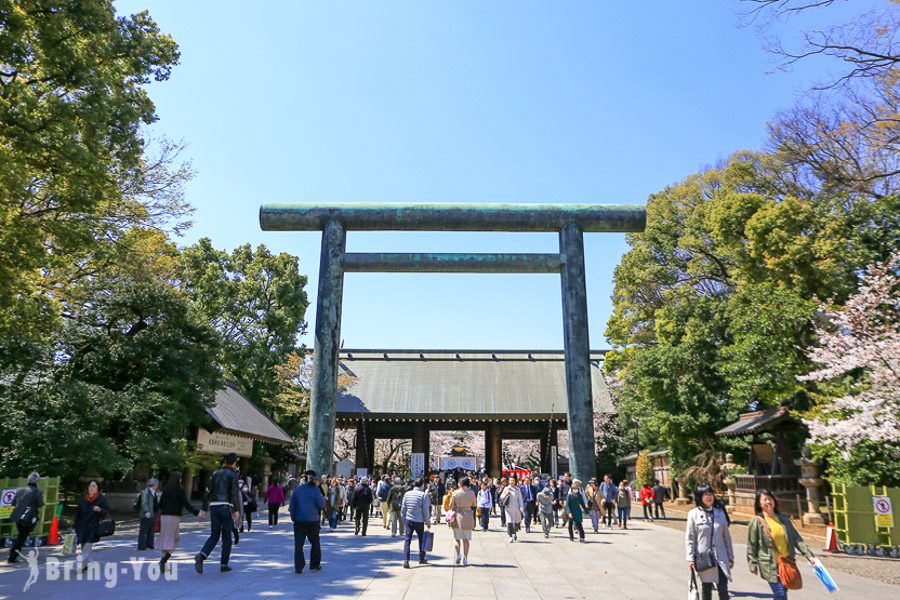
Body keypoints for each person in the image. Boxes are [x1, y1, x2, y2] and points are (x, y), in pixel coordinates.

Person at [747, 488, 815, 600]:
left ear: (774, 500)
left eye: (770, 499)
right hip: (769, 565)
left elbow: (797, 539)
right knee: (780, 593)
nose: (768, 502)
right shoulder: (757, 522)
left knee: (783, 592)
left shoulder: (783, 519)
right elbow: (752, 545)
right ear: (759, 504)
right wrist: (752, 564)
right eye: (765, 500)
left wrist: (809, 556)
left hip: (787, 563)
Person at [195, 452, 241, 574]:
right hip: (226, 506)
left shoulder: (215, 474)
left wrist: (204, 509)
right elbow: (234, 493)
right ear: (234, 463)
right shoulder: (233, 475)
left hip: (214, 507)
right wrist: (236, 510)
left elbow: (207, 493)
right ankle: (224, 564)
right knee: (226, 536)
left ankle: (202, 556)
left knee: (214, 535)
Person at [686, 485, 734, 600]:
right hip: (704, 558)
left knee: (723, 590)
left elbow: (726, 536)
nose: (709, 497)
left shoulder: (720, 512)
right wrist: (690, 558)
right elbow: (690, 538)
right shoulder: (693, 514)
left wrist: (730, 556)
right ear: (699, 497)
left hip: (720, 557)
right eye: (705, 494)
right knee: (706, 589)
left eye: (710, 494)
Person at [158, 472, 202, 567]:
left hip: (164, 516)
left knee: (166, 538)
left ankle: (164, 558)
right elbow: (186, 503)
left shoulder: (165, 489)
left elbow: (160, 503)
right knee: (174, 539)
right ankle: (164, 559)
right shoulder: (179, 490)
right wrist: (196, 512)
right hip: (174, 516)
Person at [290, 469, 325, 574]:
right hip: (312, 520)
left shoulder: (297, 490)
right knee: (315, 543)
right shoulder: (315, 490)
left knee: (298, 544)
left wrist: (293, 517)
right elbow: (321, 504)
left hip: (299, 521)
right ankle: (314, 565)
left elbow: (292, 506)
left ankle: (298, 567)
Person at [7, 472, 44, 563]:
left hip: (17, 516)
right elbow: (40, 504)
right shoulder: (37, 492)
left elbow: (13, 503)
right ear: (37, 482)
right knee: (21, 537)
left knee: (21, 535)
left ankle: (12, 556)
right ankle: (12, 557)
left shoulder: (19, 490)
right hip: (28, 517)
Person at [73, 480, 109, 572]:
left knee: (88, 545)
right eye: (90, 486)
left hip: (93, 525)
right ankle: (87, 563)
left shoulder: (101, 498)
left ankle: (81, 566)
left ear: (98, 488)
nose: (91, 488)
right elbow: (77, 512)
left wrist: (99, 510)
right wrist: (74, 525)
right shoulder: (83, 498)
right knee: (83, 544)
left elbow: (105, 511)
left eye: (93, 486)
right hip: (82, 525)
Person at [401, 478, 431, 568]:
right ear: (422, 485)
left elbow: (403, 508)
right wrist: (427, 522)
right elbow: (425, 510)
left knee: (407, 540)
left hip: (409, 520)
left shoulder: (407, 494)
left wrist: (403, 519)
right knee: (422, 540)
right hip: (419, 520)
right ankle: (421, 558)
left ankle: (406, 560)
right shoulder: (423, 495)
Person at [449, 476, 477, 565]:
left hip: (458, 516)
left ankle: (458, 555)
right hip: (468, 515)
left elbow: (450, 505)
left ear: (460, 484)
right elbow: (474, 503)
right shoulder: (472, 493)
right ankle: (465, 558)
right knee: (466, 539)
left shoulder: (456, 493)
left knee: (457, 538)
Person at [499, 476, 524, 542]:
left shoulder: (517, 489)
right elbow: (501, 497)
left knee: (516, 521)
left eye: (513, 480)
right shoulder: (506, 488)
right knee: (509, 522)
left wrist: (521, 507)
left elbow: (520, 499)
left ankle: (514, 533)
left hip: (516, 508)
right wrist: (506, 494)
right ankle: (510, 536)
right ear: (509, 481)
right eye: (511, 480)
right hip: (508, 508)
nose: (512, 482)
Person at [137, 477, 159, 551]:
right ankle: (141, 546)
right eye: (157, 484)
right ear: (154, 484)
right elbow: (144, 502)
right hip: (146, 514)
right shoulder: (146, 492)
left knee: (151, 530)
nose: (157, 486)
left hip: (152, 514)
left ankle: (149, 544)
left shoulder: (153, 492)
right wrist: (146, 511)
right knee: (143, 530)